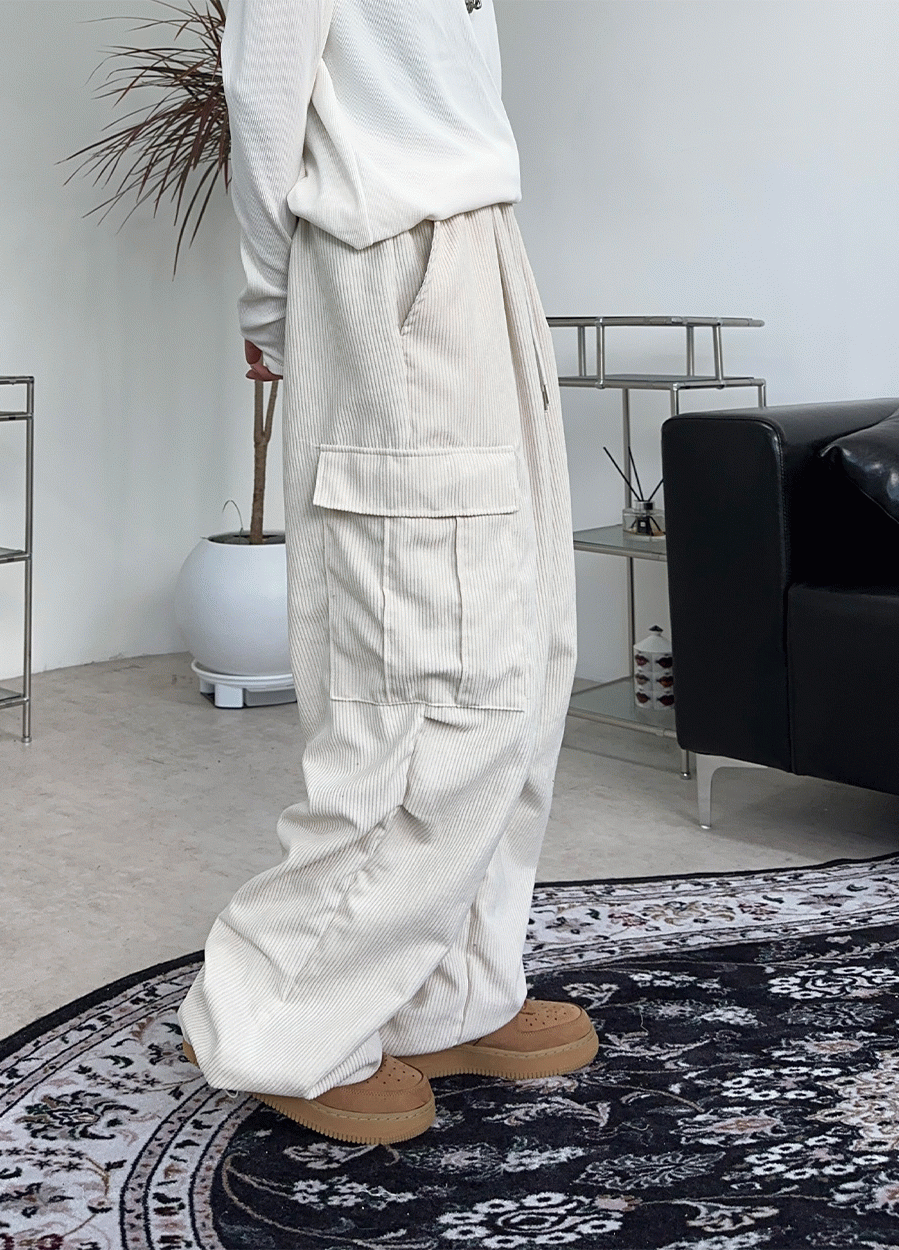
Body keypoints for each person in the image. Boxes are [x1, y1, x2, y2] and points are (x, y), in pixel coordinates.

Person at [178, 0, 597, 1145]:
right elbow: (265, 86)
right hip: (387, 253)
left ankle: (445, 993)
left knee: (525, 650)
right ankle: (282, 1016)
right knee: (425, 678)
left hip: (482, 244)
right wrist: (277, 303)